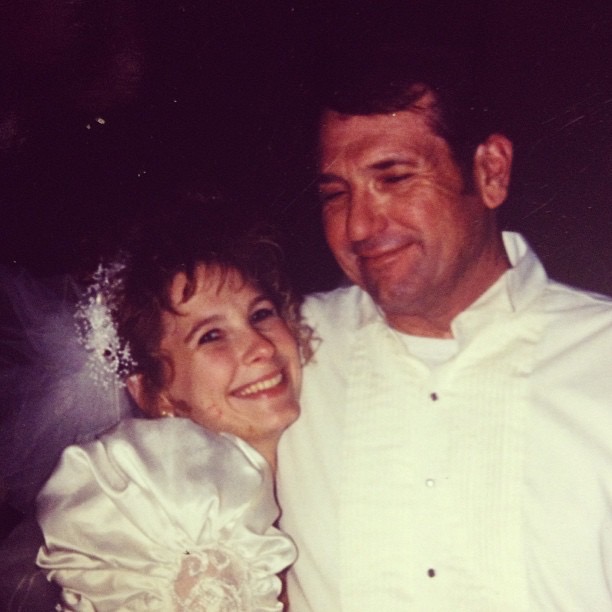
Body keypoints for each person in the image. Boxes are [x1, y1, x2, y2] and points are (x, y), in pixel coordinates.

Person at [277, 44, 612, 610]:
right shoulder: (283, 352)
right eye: (336, 194)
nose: (359, 225)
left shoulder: (602, 355)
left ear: (491, 172)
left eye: (394, 178)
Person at [5, 199, 309, 610]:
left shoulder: (311, 465)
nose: (261, 347)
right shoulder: (168, 531)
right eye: (211, 336)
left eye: (260, 314)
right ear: (155, 393)